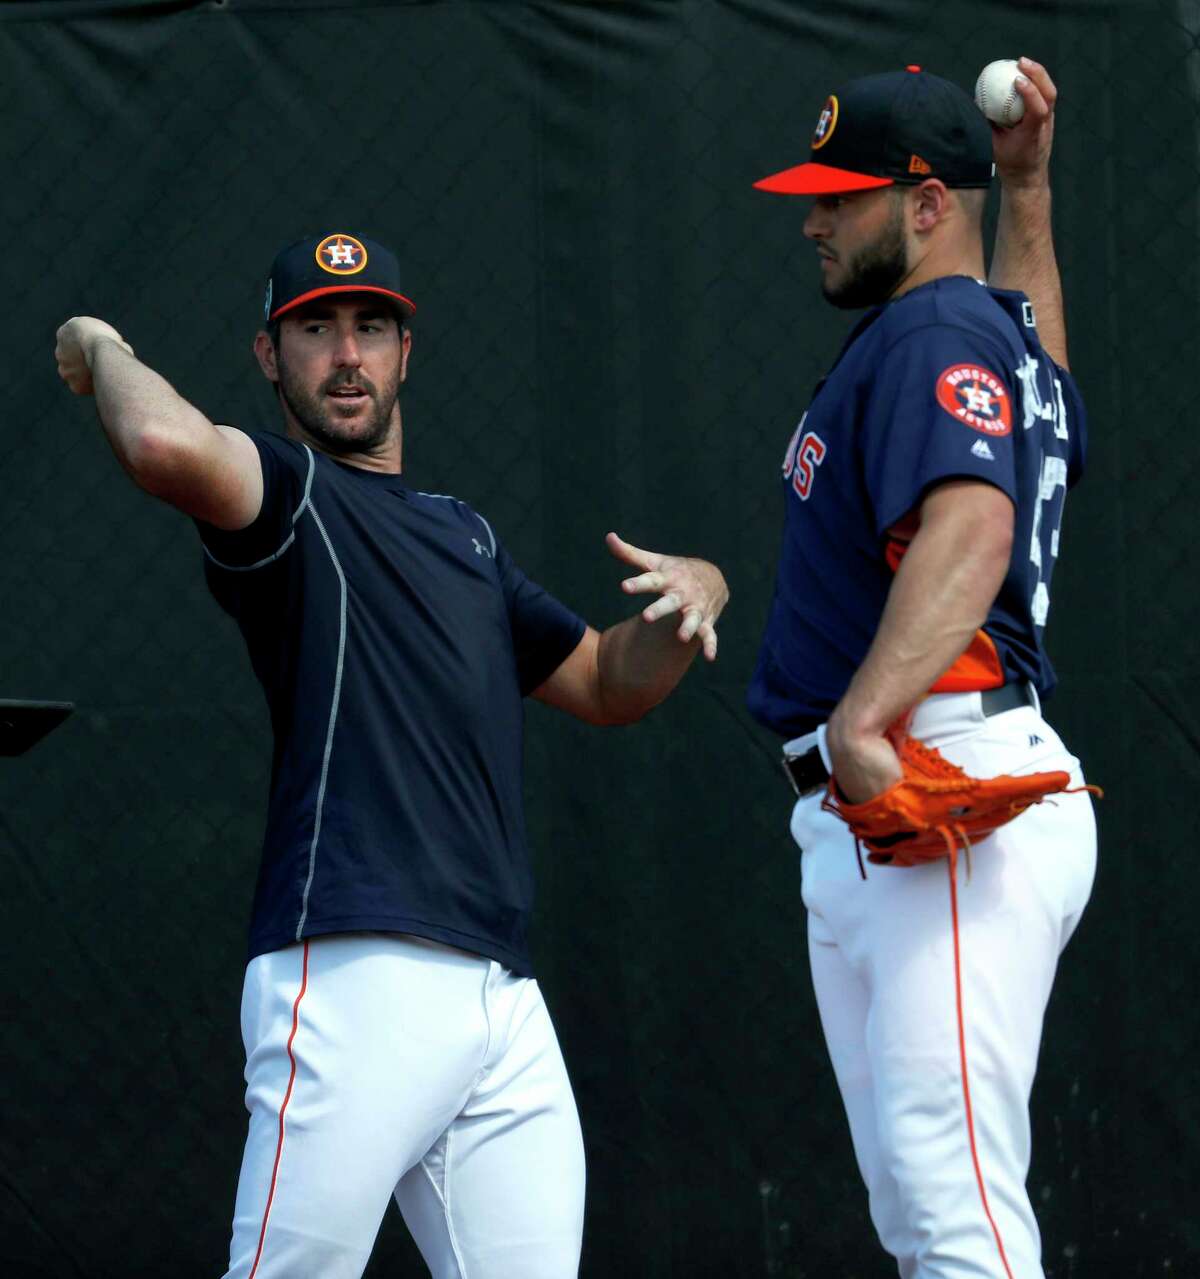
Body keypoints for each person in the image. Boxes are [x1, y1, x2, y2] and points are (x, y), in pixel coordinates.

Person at [54, 230, 728, 1279]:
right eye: (314, 329)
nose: (347, 353)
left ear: (407, 350)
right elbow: (162, 447)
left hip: (500, 993)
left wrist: (697, 597)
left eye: (371, 326)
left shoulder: (464, 532)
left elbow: (604, 681)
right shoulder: (288, 493)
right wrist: (100, 343)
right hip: (354, 962)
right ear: (270, 358)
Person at [747, 62, 1096, 1277]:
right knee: (924, 1209)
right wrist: (1031, 188)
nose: (814, 217)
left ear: (926, 204)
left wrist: (864, 718)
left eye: (842, 196)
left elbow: (973, 528)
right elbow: (1035, 339)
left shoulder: (929, 328)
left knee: (955, 1212)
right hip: (908, 798)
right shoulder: (985, 333)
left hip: (935, 777)